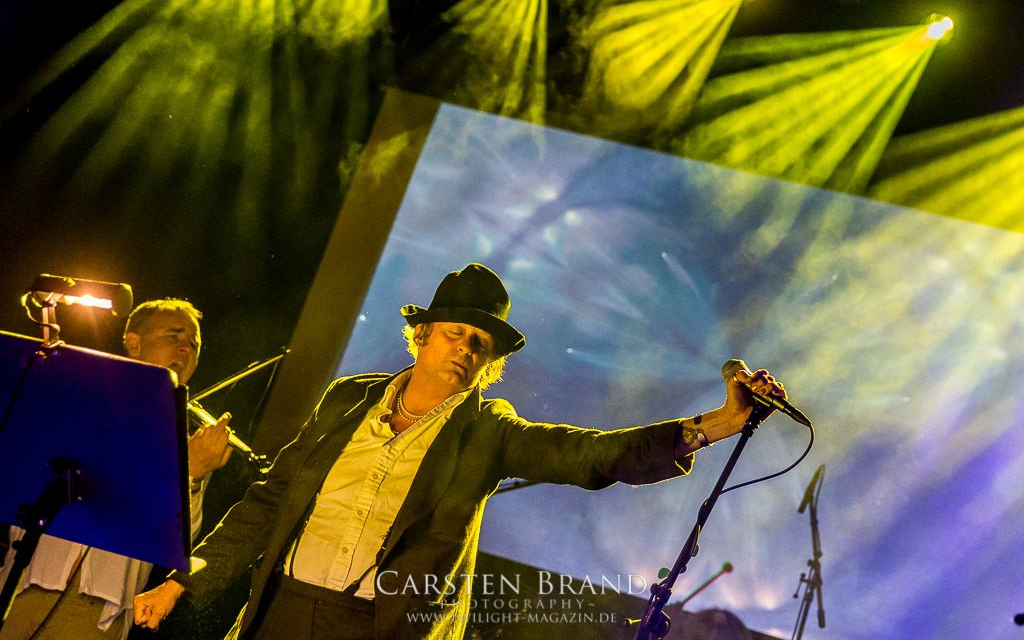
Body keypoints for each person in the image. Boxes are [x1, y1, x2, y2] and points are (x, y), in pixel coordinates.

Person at [134, 264, 787, 639]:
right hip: (278, 611)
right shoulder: (348, 399)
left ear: (490, 362)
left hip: (377, 627)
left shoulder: (487, 428)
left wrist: (718, 423)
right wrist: (185, 579)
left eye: (481, 343)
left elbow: (590, 455)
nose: (467, 349)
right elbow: (267, 500)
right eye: (455, 333)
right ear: (421, 335)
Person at [0, 299, 233, 639]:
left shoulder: (185, 443)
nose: (186, 348)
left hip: (99, 610)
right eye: (173, 335)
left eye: (194, 344)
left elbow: (177, 541)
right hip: (28, 582)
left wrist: (193, 473)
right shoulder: (79, 398)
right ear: (133, 342)